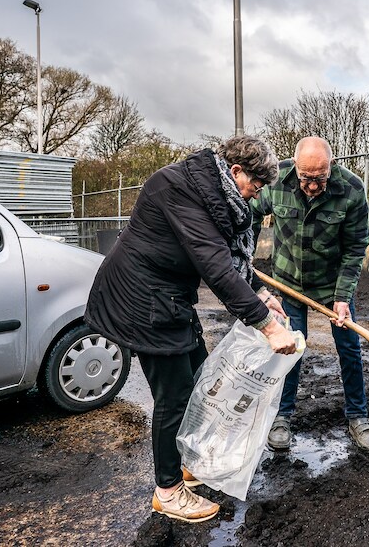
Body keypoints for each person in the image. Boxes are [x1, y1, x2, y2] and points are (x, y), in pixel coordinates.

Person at [86, 135, 296, 524]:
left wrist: (260, 293)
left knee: (200, 375)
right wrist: (267, 326)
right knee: (175, 394)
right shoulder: (177, 187)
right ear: (235, 171)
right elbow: (215, 266)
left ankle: (185, 464)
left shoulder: (214, 194)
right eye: (256, 184)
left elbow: (226, 258)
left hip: (169, 298)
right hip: (141, 299)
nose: (257, 194)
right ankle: (167, 490)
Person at [250, 136, 369, 453]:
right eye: (306, 178)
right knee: (290, 349)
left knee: (349, 348)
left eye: (319, 178)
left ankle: (358, 417)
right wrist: (245, 257)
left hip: (332, 285)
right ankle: (282, 417)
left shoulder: (351, 190)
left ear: (330, 167)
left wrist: (342, 296)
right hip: (289, 284)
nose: (311, 186)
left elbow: (354, 249)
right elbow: (250, 213)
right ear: (295, 167)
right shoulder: (276, 179)